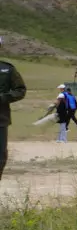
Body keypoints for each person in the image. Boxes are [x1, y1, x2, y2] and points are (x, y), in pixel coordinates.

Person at [0, 49, 25, 180]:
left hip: (1, 120)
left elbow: (20, 90)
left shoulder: (7, 69)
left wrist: (3, 98)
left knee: (0, 155)